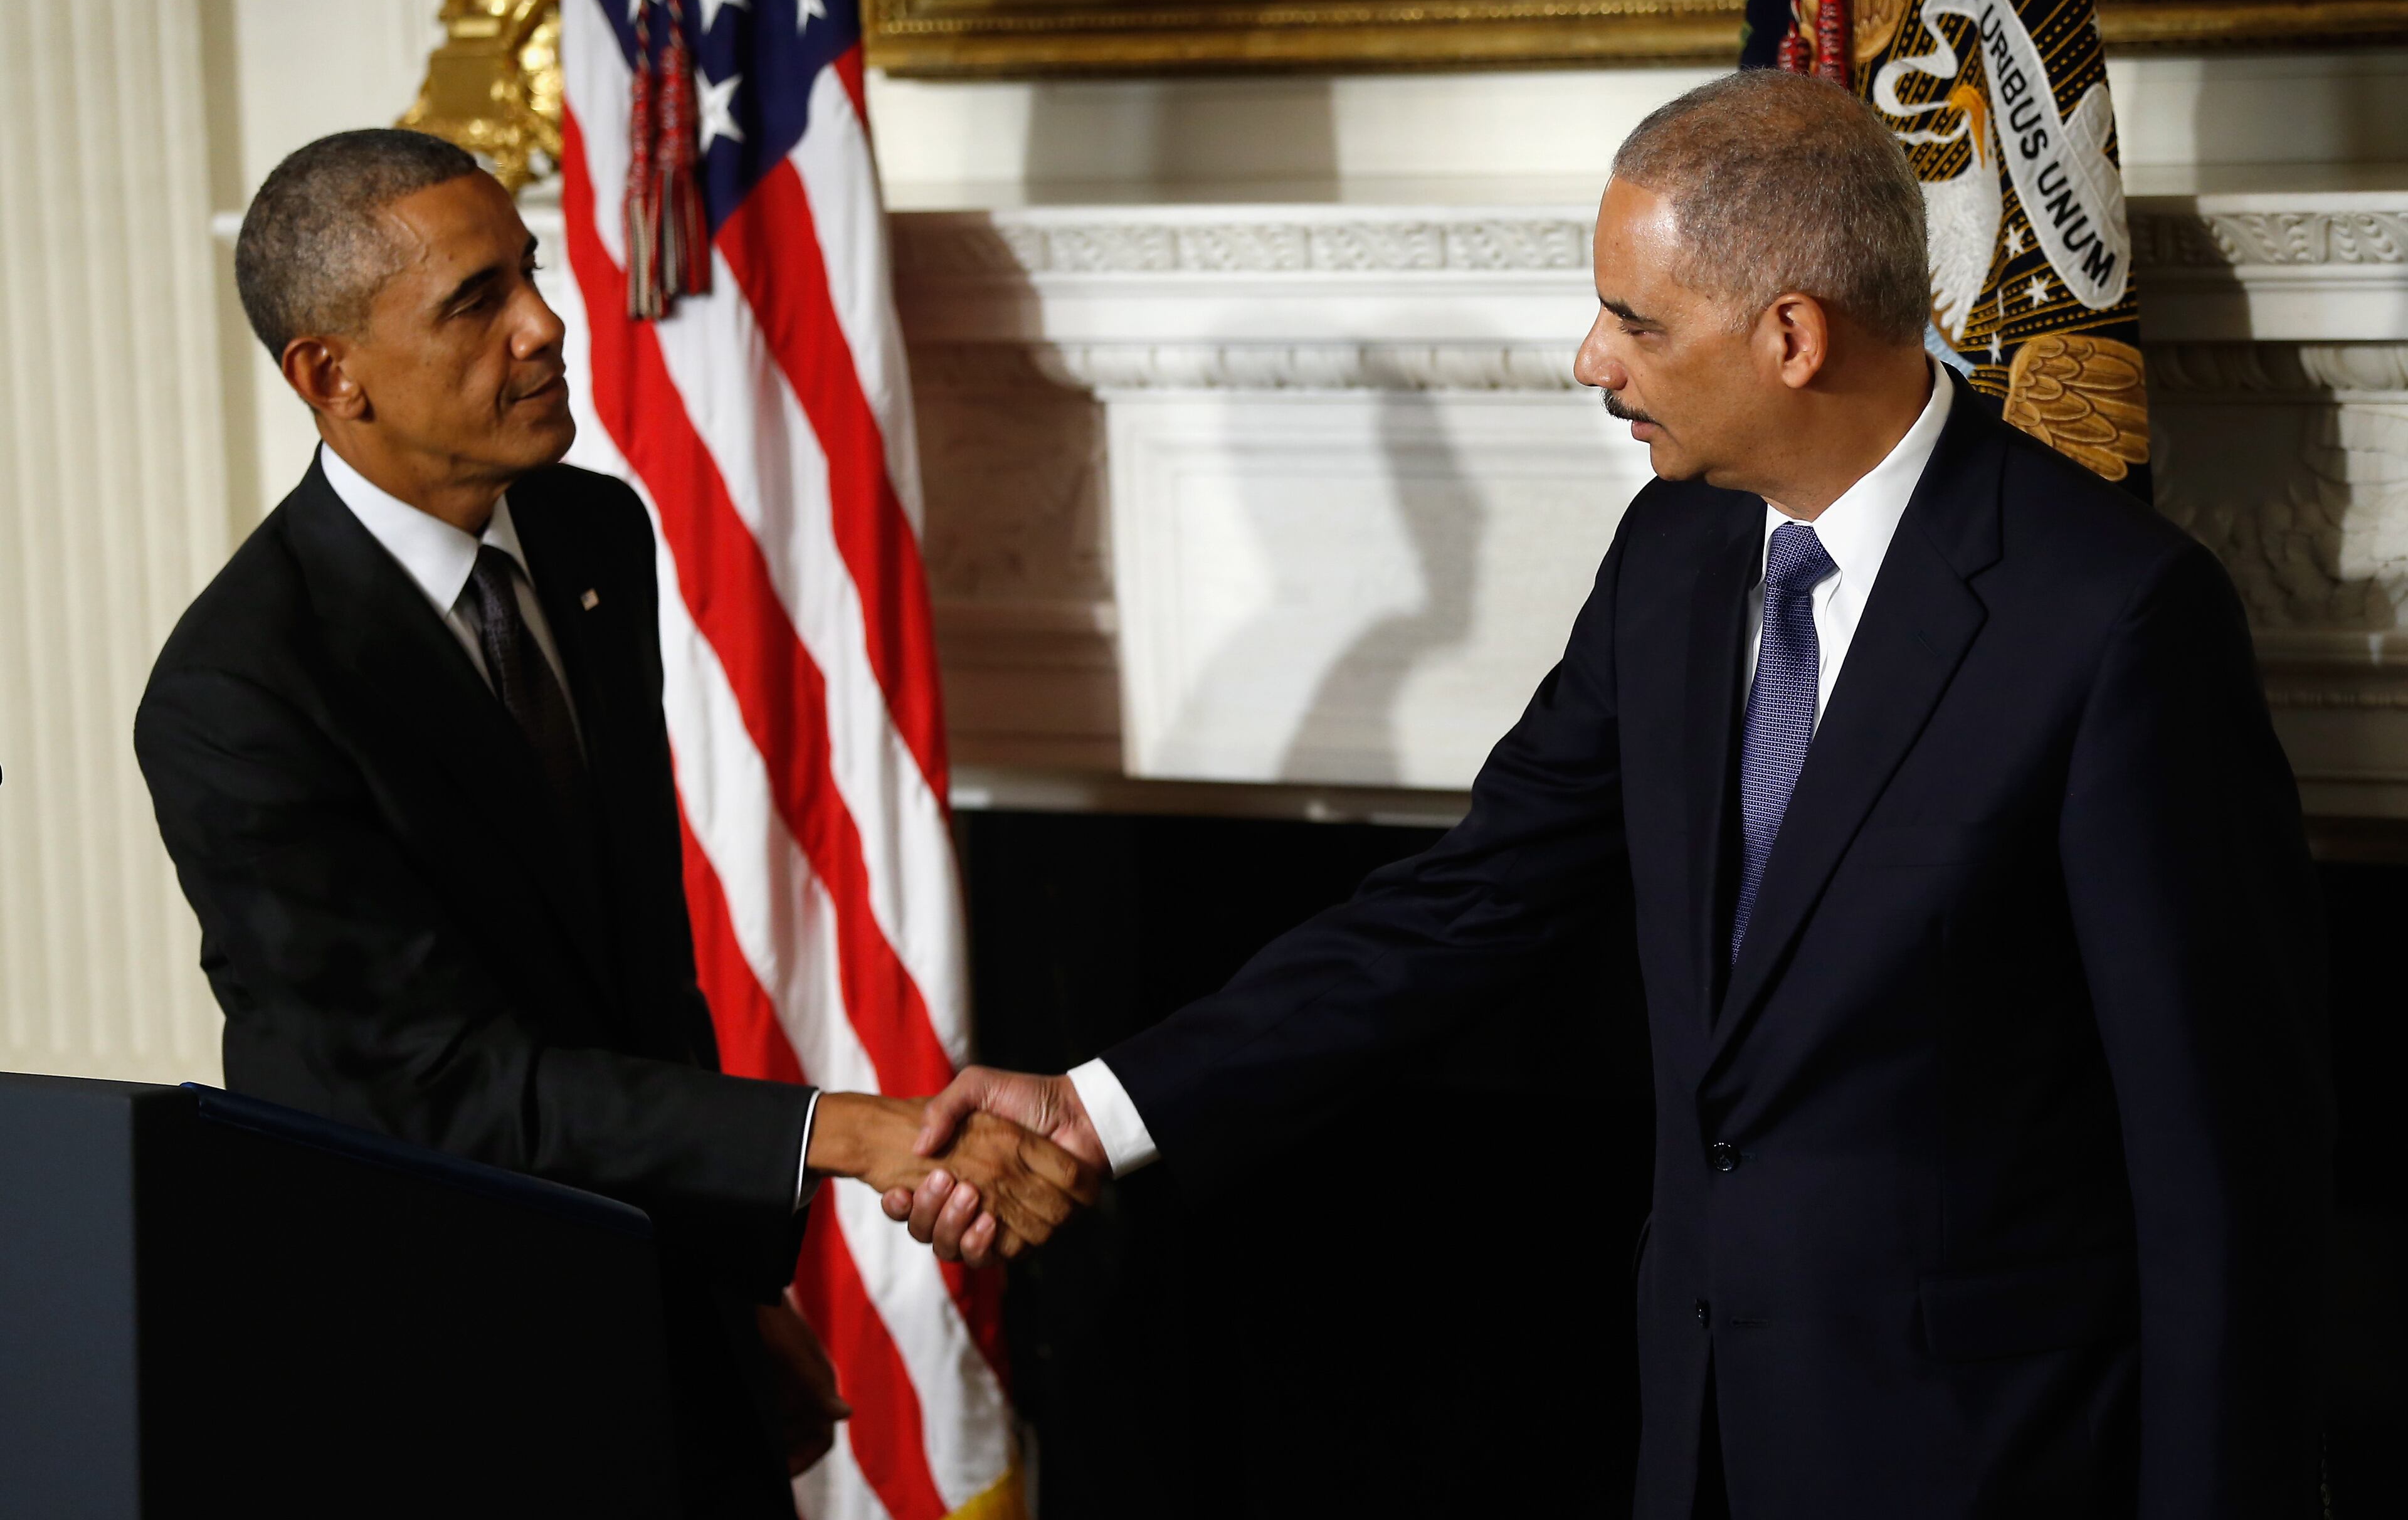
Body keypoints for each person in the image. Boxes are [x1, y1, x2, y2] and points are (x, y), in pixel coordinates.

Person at [889, 73, 2333, 1519]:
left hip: (1994, 1461)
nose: (1592, 359)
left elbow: (2226, 1169)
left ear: (1791, 334)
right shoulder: (1676, 557)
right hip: (1699, 1435)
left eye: (1635, 321)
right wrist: (1096, 1107)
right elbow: (1465, 906)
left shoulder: (2114, 620)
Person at [134, 129, 1093, 1519]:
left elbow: (643, 970)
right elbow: (444, 1086)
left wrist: (727, 1283)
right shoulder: (240, 692)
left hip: (641, 1272)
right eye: (476, 302)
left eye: (528, 273)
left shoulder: (590, 536)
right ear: (330, 377)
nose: (545, 324)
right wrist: (851, 1132)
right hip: (426, 1354)